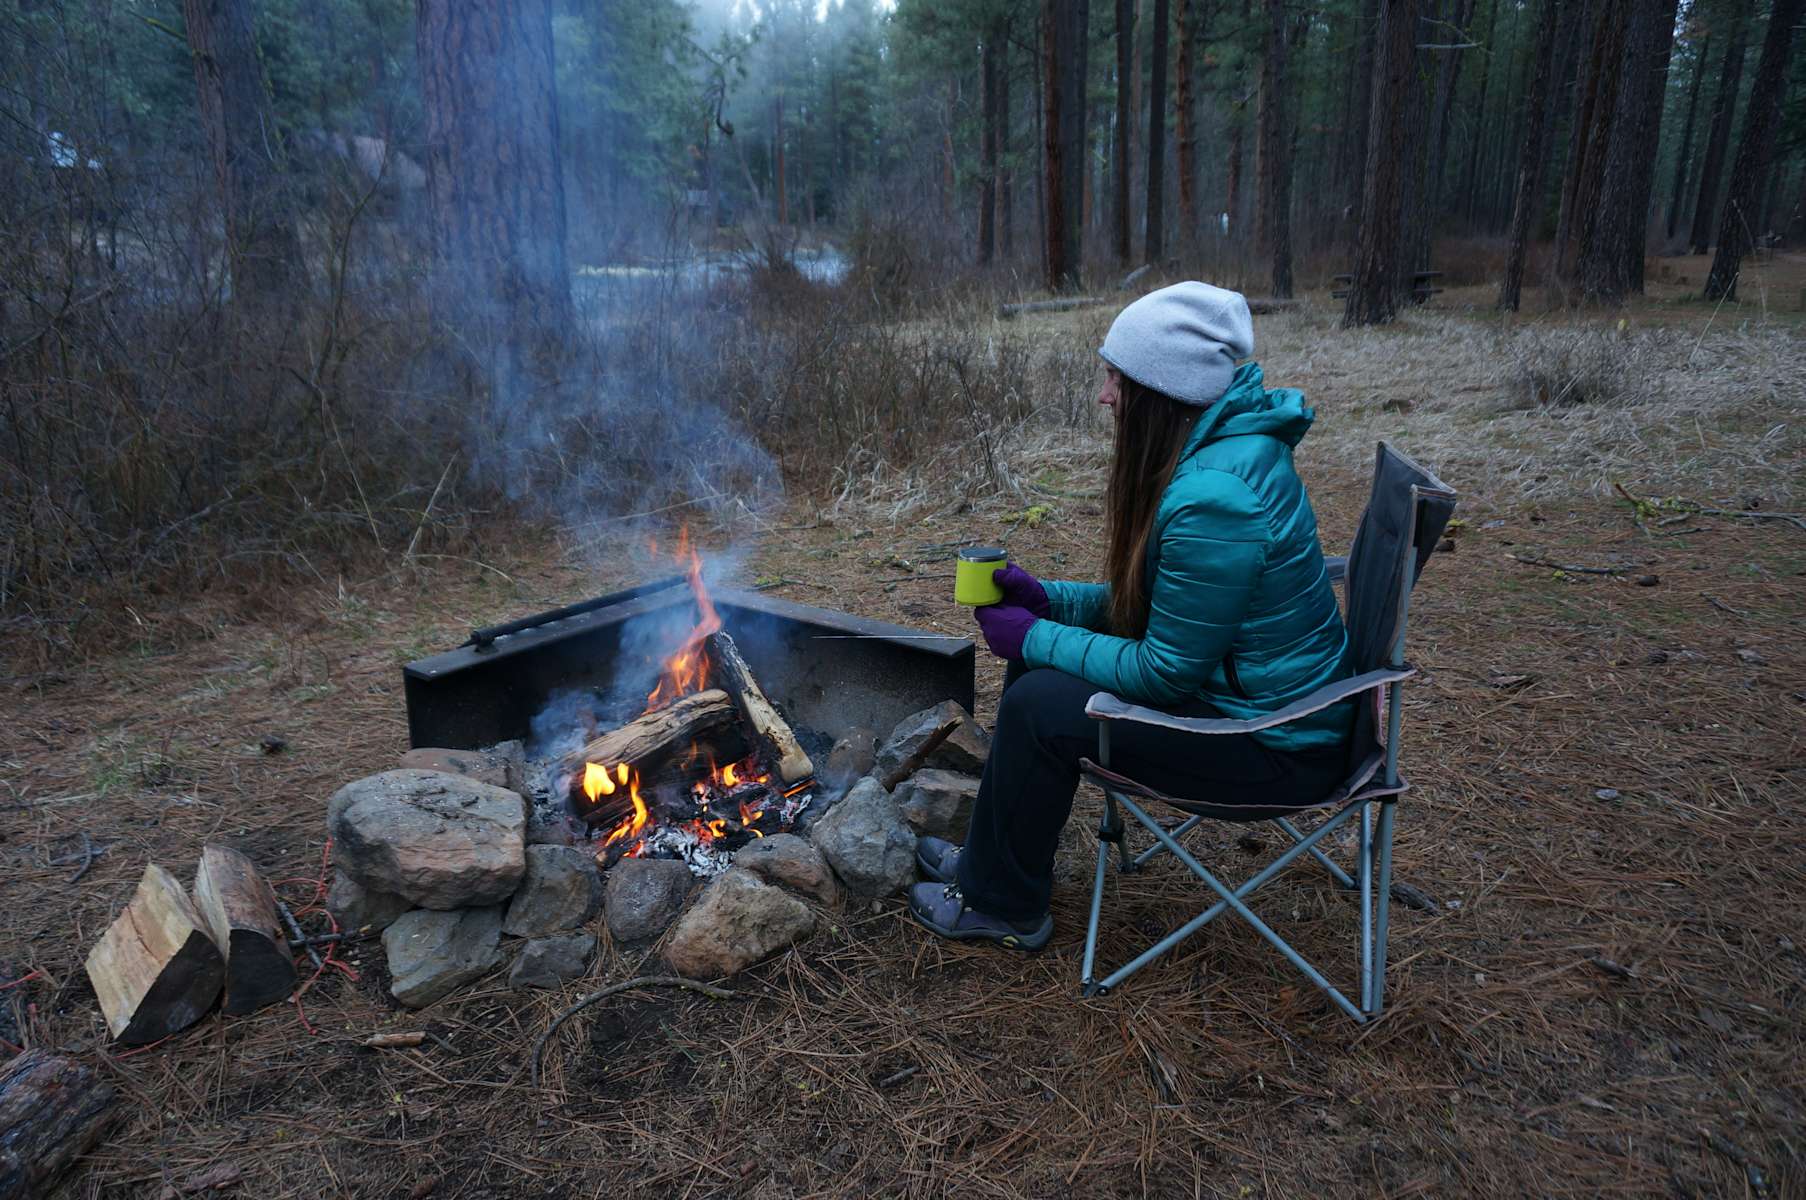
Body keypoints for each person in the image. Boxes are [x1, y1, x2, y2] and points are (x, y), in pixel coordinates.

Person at [908, 282, 1354, 949]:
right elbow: (1164, 609)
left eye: (1115, 378)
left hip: (1273, 744)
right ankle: (989, 867)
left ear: (1159, 389)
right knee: (1038, 673)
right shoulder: (1218, 455)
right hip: (1248, 702)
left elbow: (1165, 672)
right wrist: (1049, 602)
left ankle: (1002, 903)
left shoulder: (1215, 499)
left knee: (1037, 705)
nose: (1104, 396)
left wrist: (1035, 633)